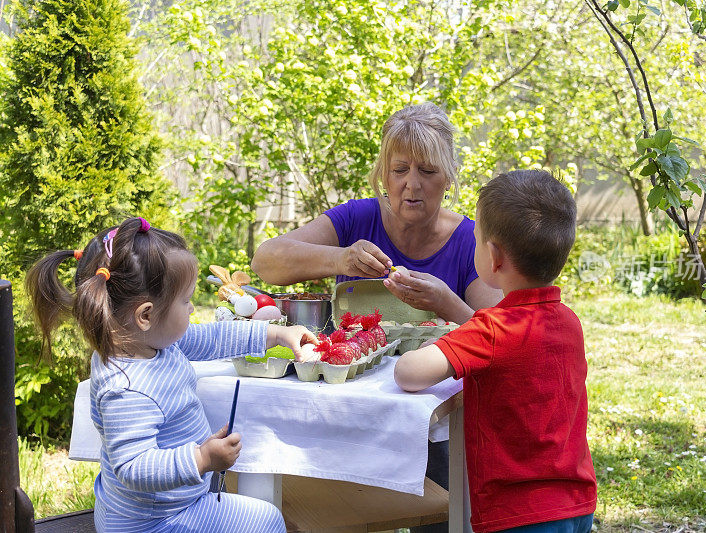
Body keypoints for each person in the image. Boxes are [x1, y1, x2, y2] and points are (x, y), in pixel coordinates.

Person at [27, 217, 317, 533]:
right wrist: (202, 459)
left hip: (164, 506)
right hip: (153, 522)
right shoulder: (128, 387)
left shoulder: (152, 342)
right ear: (146, 315)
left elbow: (212, 338)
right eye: (186, 300)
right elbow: (133, 467)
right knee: (267, 521)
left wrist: (273, 334)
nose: (192, 309)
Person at [394, 170, 597, 533]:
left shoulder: (491, 329)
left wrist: (436, 345)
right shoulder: (569, 321)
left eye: (474, 239)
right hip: (576, 503)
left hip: (518, 514)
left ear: (493, 256)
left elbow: (408, 374)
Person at [250, 102, 503, 325]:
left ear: (449, 177)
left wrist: (445, 302)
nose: (412, 184)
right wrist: (342, 259)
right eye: (400, 170)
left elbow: (499, 338)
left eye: (427, 171)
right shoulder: (356, 218)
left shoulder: (470, 241)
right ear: (384, 175)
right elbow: (264, 262)